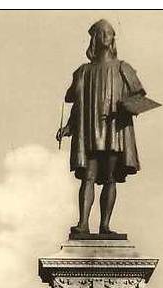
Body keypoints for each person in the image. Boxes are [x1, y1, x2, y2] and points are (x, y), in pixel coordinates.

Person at [56, 19, 147, 236]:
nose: (107, 36)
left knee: (110, 178)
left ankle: (105, 225)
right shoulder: (83, 72)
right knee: (88, 176)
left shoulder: (123, 68)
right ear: (95, 38)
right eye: (102, 32)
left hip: (114, 130)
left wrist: (127, 107)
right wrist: (69, 126)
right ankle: (83, 224)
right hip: (89, 131)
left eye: (110, 33)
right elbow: (76, 103)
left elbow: (140, 97)